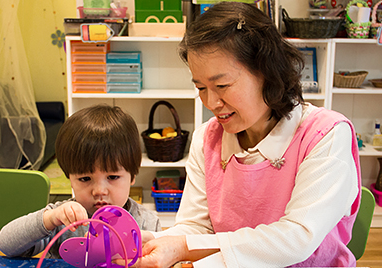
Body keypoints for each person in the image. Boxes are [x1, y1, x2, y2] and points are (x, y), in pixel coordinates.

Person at [139, 2, 361, 267]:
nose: (211, 102)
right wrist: (152, 242)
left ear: (267, 72)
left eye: (222, 85)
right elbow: (195, 228)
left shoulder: (325, 135)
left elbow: (298, 237)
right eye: (200, 87)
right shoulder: (207, 139)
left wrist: (184, 249)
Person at [0, 104, 162, 259]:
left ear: (132, 176)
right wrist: (50, 219)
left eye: (112, 177)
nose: (99, 191)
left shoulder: (147, 223)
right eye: (85, 179)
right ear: (70, 178)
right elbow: (6, 245)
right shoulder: (61, 219)